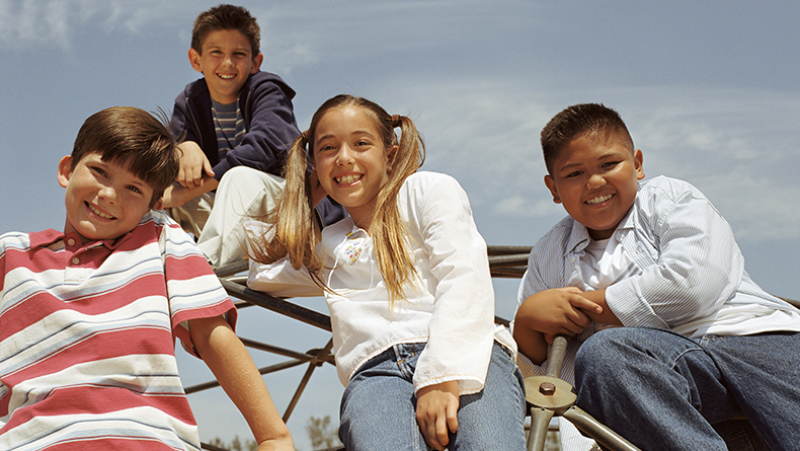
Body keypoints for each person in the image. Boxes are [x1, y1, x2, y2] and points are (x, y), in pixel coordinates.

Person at [0, 106, 294, 451]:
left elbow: (212, 332)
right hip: (30, 440)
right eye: (99, 171)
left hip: (144, 437)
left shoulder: (159, 239)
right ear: (67, 170)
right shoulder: (11, 254)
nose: (109, 194)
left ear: (155, 204)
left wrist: (273, 436)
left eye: (133, 189)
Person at [513, 103, 800, 451]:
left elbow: (695, 283)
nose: (595, 181)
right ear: (553, 188)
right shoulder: (549, 253)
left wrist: (587, 307)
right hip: (659, 371)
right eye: (574, 174)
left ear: (637, 164)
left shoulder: (668, 198)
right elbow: (542, 370)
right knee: (604, 355)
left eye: (609, 164)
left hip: (746, 337)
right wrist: (527, 322)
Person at [246, 95, 526, 451]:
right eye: (328, 149)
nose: (344, 157)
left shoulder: (426, 191)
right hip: (376, 371)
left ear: (390, 154)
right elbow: (263, 271)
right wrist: (307, 191)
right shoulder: (331, 241)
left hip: (465, 353)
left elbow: (463, 276)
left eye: (361, 143)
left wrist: (441, 376)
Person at [166, 4, 344, 268]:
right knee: (158, 196)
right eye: (216, 52)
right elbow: (165, 163)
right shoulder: (190, 101)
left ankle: (199, 269)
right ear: (196, 59)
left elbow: (265, 147)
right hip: (242, 226)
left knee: (238, 179)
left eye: (238, 54)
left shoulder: (267, 90)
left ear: (255, 62)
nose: (227, 63)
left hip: (297, 215)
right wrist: (183, 147)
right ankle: (153, 264)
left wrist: (185, 192)